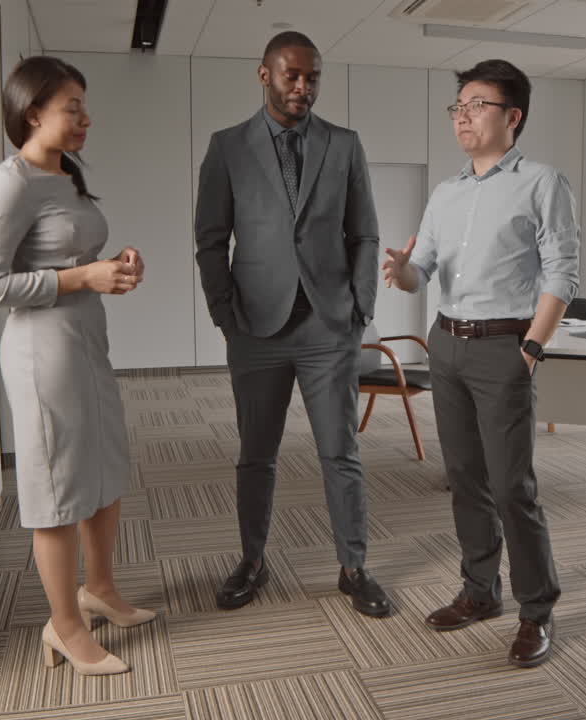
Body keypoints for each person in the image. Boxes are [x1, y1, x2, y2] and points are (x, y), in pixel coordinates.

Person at [381, 59, 579, 667]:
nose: (463, 117)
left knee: (510, 485)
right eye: (458, 107)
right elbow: (425, 273)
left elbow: (562, 273)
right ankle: (479, 591)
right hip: (447, 344)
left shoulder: (542, 182)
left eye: (477, 105)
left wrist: (532, 350)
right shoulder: (446, 192)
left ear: (512, 116)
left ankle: (536, 609)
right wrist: (402, 271)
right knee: (465, 479)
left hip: (504, 349)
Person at [0, 56, 154, 677]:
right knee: (57, 492)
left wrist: (116, 266)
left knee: (104, 469)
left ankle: (98, 588)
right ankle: (64, 627)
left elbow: (73, 252)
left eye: (83, 107)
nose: (85, 119)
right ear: (32, 112)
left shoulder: (64, 175)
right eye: (72, 108)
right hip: (42, 356)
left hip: (85, 343)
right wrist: (82, 276)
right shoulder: (10, 182)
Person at [194, 31, 391, 618]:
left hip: (329, 327)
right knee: (256, 453)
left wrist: (360, 308)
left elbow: (365, 233)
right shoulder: (227, 147)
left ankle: (353, 566)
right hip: (255, 328)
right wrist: (224, 314)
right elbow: (209, 239)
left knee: (341, 451)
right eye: (291, 76)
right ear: (264, 75)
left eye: (312, 77)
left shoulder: (343, 144)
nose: (303, 86)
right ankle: (253, 561)